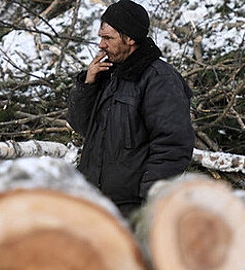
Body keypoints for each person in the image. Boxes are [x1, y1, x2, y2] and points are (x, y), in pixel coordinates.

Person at [66, 0, 194, 217]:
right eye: (100, 37)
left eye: (108, 38)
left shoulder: (159, 80)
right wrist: (87, 85)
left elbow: (172, 146)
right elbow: (82, 126)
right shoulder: (109, 74)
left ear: (130, 38)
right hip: (93, 201)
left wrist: (149, 200)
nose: (101, 45)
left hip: (130, 208)